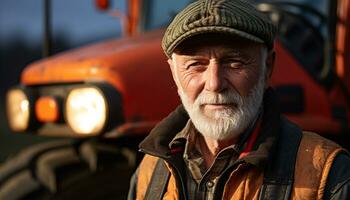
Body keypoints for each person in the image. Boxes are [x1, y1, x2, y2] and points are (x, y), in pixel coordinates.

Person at [128, 0, 350, 199]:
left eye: (234, 62)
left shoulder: (327, 174)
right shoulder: (151, 172)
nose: (215, 83)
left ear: (267, 68)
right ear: (174, 74)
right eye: (196, 64)